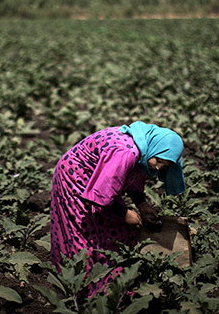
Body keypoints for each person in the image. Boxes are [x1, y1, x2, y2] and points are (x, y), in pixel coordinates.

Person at [49, 120, 185, 296]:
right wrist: (124, 212)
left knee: (115, 229)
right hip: (75, 176)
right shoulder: (125, 151)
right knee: (83, 232)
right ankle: (84, 290)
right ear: (154, 150)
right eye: (158, 161)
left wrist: (142, 205)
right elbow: (101, 193)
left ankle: (114, 283)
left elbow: (129, 179)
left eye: (164, 166)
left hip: (99, 183)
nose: (158, 168)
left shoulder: (144, 150)